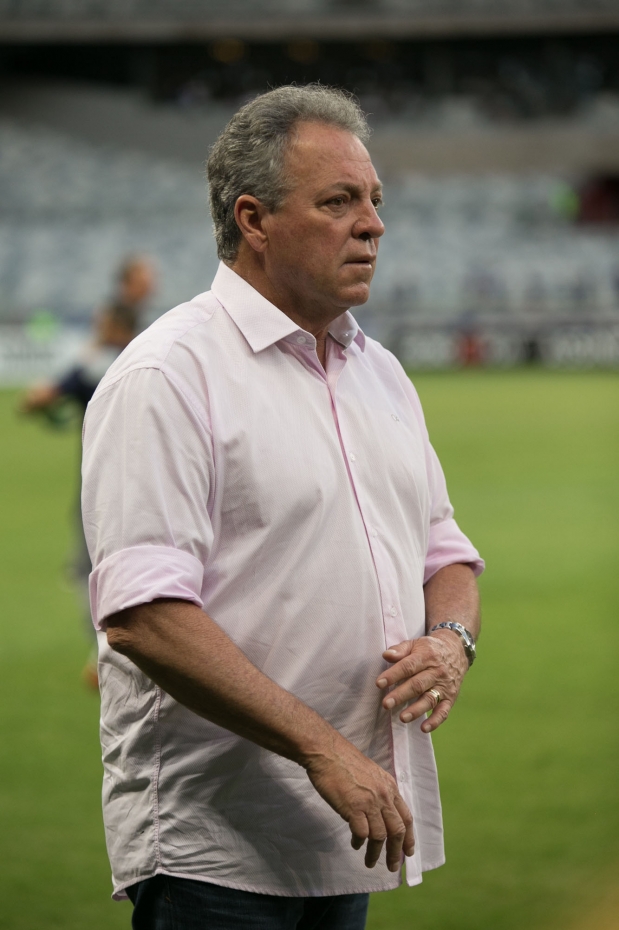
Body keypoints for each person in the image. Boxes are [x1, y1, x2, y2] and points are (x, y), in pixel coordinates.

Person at [82, 85, 484, 930]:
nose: (372, 225)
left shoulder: (380, 373)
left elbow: (443, 552)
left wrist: (451, 640)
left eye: (374, 200)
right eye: (338, 202)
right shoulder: (169, 375)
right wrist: (323, 749)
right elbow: (144, 616)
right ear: (254, 220)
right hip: (216, 847)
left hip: (351, 824)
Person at [21, 255, 156, 687]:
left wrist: (39, 402)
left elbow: (47, 397)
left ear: (112, 326)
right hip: (147, 475)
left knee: (90, 565)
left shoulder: (102, 363)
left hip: (103, 480)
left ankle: (107, 651)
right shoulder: (150, 349)